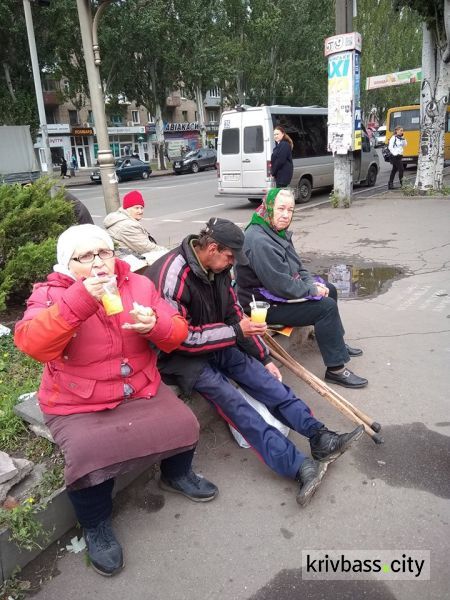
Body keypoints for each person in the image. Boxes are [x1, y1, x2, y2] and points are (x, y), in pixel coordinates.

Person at [14, 224, 218, 577]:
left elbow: (177, 332)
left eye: (104, 252)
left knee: (184, 423)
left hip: (137, 387)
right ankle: (96, 525)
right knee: (89, 455)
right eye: (85, 257)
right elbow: (32, 344)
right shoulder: (50, 294)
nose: (98, 264)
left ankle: (177, 475)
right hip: (76, 401)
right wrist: (80, 300)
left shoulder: (138, 283)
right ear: (67, 264)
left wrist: (156, 324)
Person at [148, 217, 364, 508]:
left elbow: (234, 313)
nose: (231, 264)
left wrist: (262, 356)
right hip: (178, 356)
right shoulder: (173, 276)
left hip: (215, 338)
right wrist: (236, 331)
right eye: (229, 257)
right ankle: (297, 466)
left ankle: (319, 437)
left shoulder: (219, 268)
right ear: (212, 248)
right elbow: (178, 339)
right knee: (236, 403)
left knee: (267, 383)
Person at [235, 188, 368, 389]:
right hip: (260, 304)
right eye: (280, 208)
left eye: (290, 210)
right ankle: (336, 370)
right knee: (325, 307)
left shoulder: (275, 231)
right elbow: (281, 286)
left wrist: (313, 285)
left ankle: (336, 344)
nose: (285, 215)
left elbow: (297, 267)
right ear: (269, 208)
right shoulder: (259, 240)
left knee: (329, 288)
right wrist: (311, 291)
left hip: (275, 292)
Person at [104, 190, 168, 270]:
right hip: (129, 264)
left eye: (141, 208)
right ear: (127, 208)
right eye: (136, 208)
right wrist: (167, 252)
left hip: (124, 259)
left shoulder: (121, 218)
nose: (140, 211)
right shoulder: (127, 226)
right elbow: (146, 248)